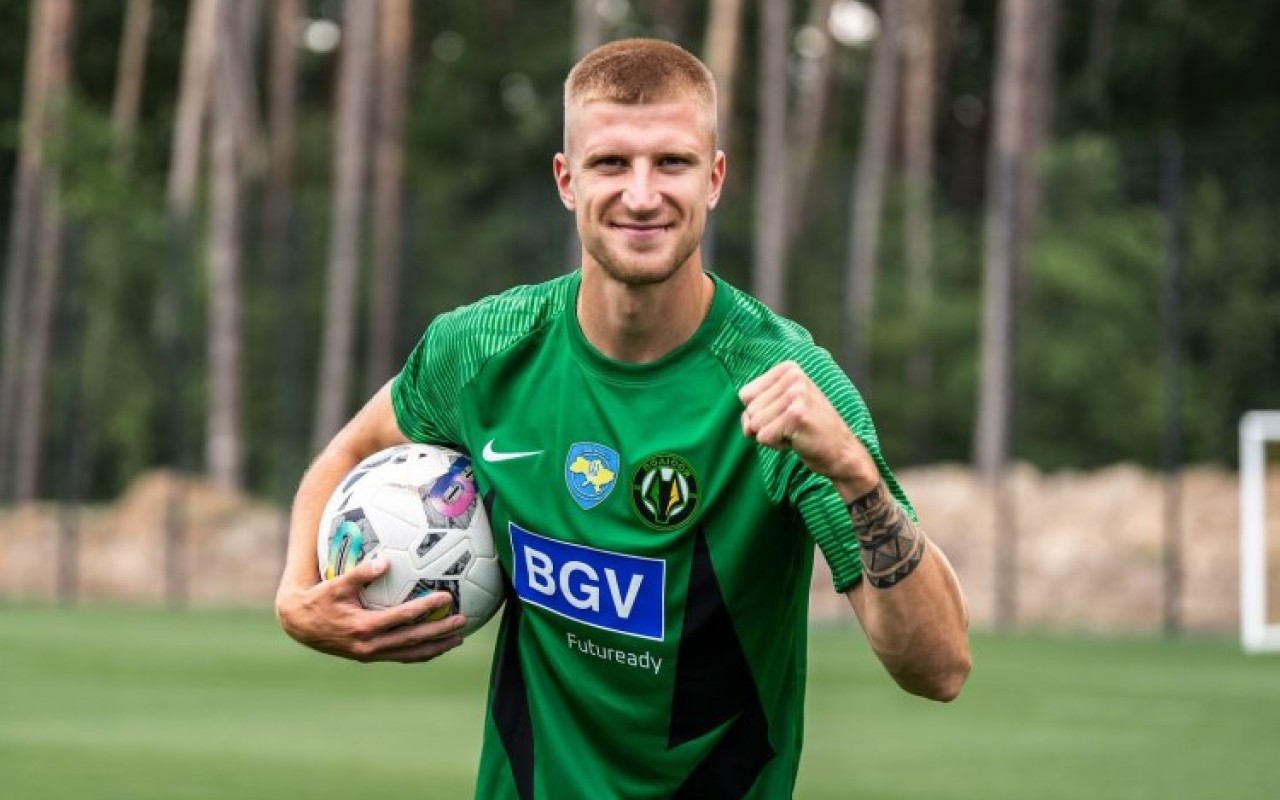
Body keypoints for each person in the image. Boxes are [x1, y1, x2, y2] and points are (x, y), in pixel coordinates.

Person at [276, 37, 970, 800]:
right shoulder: (480, 351)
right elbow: (350, 453)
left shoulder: (788, 389)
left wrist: (858, 479)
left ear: (714, 179)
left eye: (671, 163)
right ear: (566, 180)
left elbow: (938, 669)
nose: (642, 196)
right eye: (611, 163)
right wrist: (295, 599)